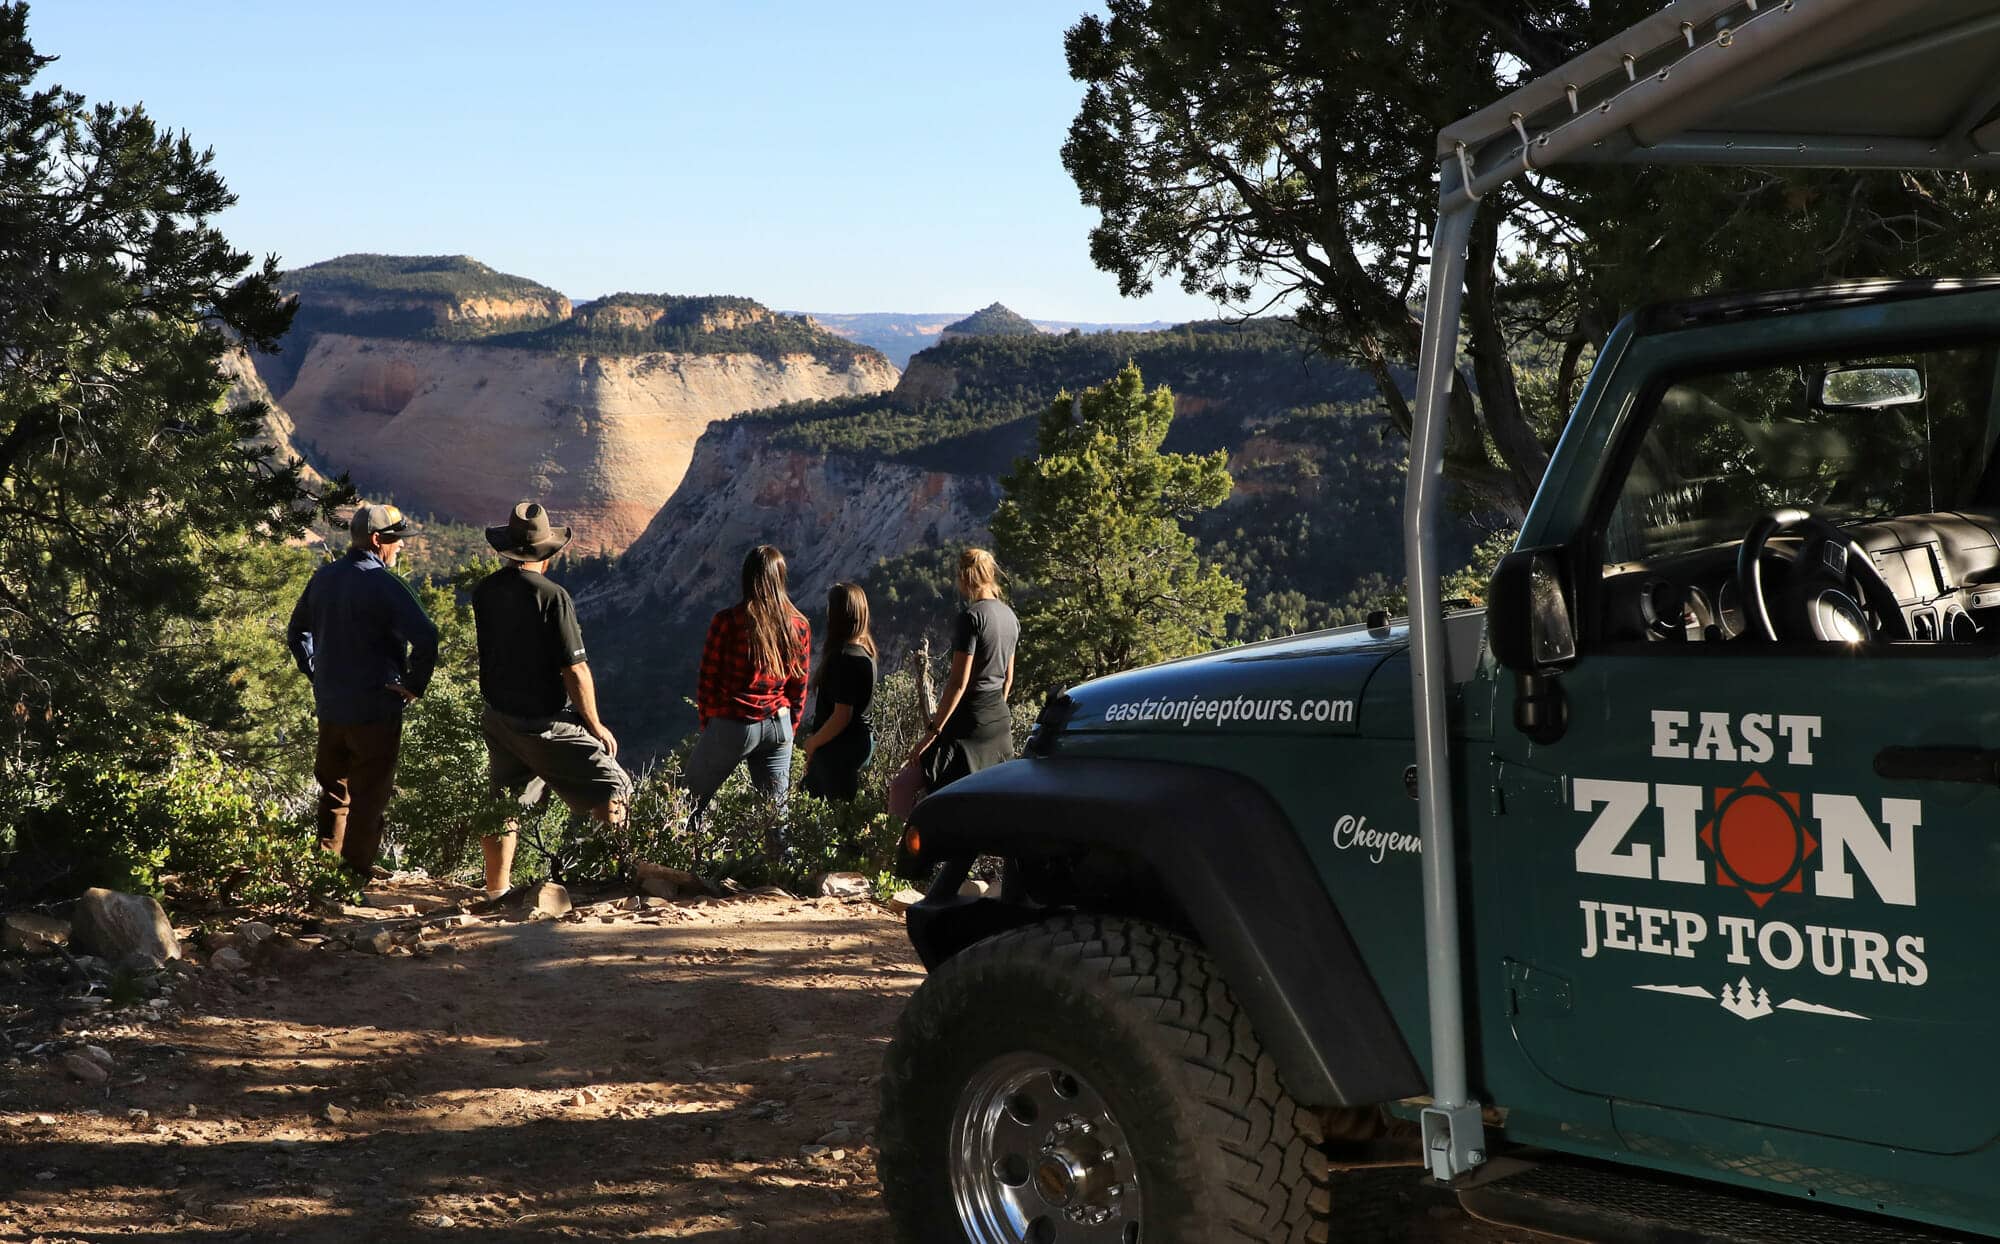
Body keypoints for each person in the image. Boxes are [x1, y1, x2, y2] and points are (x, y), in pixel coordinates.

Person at [473, 501, 631, 898]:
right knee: (613, 784)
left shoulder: (486, 591)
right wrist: (594, 724)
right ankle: (614, 880)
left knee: (504, 802)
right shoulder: (552, 596)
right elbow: (574, 669)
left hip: (499, 716)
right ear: (547, 553)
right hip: (542, 721)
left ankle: (496, 892)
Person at [287, 502, 440, 883]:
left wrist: (315, 672)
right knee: (369, 797)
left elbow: (297, 631)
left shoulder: (324, 577)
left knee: (334, 792)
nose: (401, 545)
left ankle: (324, 875)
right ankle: (353, 879)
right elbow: (427, 636)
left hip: (331, 708)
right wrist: (413, 686)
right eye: (395, 539)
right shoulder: (385, 584)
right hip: (375, 709)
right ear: (376, 540)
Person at [687, 545, 811, 822]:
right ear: (781, 579)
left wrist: (710, 725)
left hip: (735, 722)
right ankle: (780, 853)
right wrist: (790, 729)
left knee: (688, 805)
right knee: (776, 818)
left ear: (747, 578)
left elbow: (708, 679)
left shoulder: (728, 622)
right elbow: (799, 686)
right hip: (779, 723)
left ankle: (681, 850)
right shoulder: (799, 625)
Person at [908, 548, 1018, 791]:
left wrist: (931, 734)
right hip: (999, 723)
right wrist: (992, 714)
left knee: (904, 786)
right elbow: (1008, 679)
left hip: (968, 724)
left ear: (965, 577)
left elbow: (958, 683)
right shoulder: (1010, 617)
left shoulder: (971, 618)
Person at [799, 583, 878, 802]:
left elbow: (842, 715)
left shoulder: (843, 658)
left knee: (820, 809)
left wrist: (813, 743)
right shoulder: (866, 653)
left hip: (838, 748)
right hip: (859, 743)